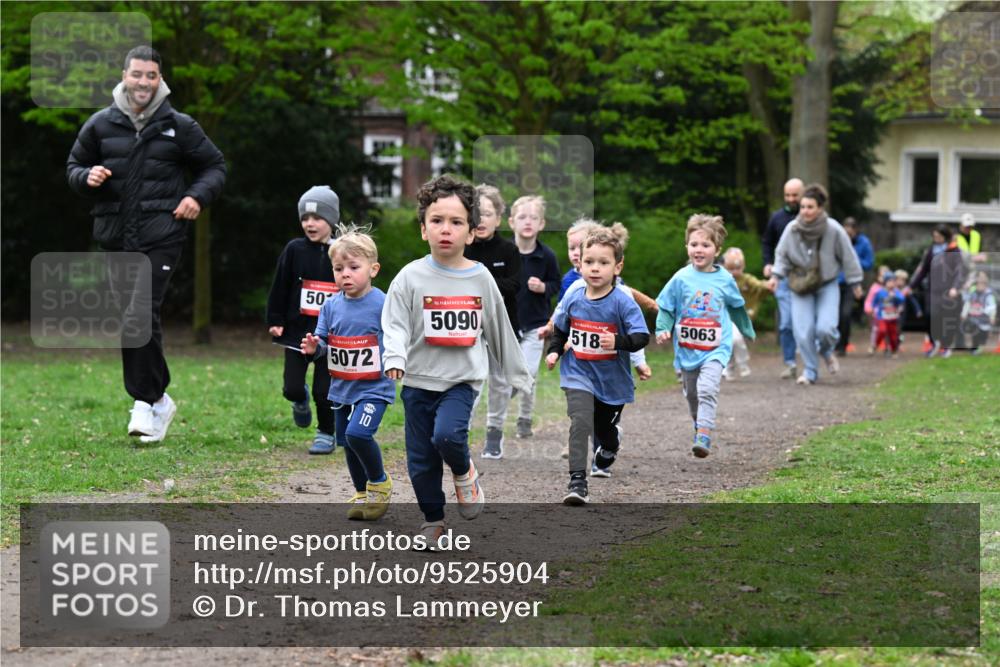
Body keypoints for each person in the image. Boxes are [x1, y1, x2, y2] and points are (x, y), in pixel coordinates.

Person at [66, 46, 226, 442]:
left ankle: (144, 400)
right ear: (124, 76)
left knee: (139, 310)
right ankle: (157, 400)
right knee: (130, 316)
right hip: (115, 236)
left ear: (159, 80)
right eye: (137, 74)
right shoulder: (100, 125)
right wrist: (87, 177)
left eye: (151, 76)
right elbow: (72, 168)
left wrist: (196, 197)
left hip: (162, 234)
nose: (143, 82)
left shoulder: (180, 125)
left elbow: (214, 166)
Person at [381, 175, 531, 548]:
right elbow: (395, 324)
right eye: (437, 220)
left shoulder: (480, 278)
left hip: (461, 380)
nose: (445, 229)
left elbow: (498, 328)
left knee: (447, 436)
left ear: (471, 233)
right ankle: (433, 522)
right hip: (417, 381)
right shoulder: (409, 277)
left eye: (456, 222)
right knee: (421, 460)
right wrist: (395, 356)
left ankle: (465, 473)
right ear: (423, 229)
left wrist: (517, 374)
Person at [545, 228, 649, 505]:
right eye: (589, 261)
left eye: (603, 263)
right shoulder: (573, 296)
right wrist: (555, 352)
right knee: (580, 421)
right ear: (579, 264)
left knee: (603, 429)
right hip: (577, 372)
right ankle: (577, 481)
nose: (595, 268)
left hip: (612, 381)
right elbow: (561, 329)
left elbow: (641, 337)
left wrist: (617, 340)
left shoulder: (623, 302)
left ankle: (610, 447)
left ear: (618, 267)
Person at [300, 227, 394, 519]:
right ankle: (362, 493)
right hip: (341, 388)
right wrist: (315, 347)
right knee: (346, 441)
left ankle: (379, 481)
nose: (345, 274)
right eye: (338, 268)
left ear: (373, 269)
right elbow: (324, 343)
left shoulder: (383, 303)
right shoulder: (330, 305)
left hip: (374, 387)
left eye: (354, 267)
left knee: (358, 434)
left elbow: (398, 336)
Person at [656, 215, 755, 458]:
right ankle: (699, 423)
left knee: (707, 389)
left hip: (716, 347)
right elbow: (666, 307)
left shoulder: (725, 279)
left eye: (705, 245)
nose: (699, 250)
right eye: (694, 244)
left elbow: (736, 307)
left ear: (717, 250)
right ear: (687, 247)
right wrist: (662, 328)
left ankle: (704, 433)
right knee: (692, 394)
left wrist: (746, 329)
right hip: (688, 349)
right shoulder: (680, 278)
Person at [266, 186, 340, 454]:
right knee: (292, 387)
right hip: (297, 332)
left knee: (325, 391)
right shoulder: (294, 249)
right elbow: (280, 286)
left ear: (331, 220)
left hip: (330, 337)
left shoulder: (342, 251)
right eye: (305, 218)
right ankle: (300, 400)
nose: (310, 223)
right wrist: (275, 319)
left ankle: (325, 432)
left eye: (317, 218)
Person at [768, 184, 863, 385]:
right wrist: (776, 276)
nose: (805, 211)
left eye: (810, 207)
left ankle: (827, 350)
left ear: (820, 208)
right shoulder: (792, 229)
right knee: (803, 332)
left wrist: (855, 282)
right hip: (800, 285)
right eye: (802, 207)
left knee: (826, 329)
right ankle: (811, 371)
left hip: (827, 284)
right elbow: (782, 255)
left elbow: (848, 257)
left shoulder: (833, 229)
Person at [464, 185, 522, 458]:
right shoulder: (461, 248)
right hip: (467, 326)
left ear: (498, 218)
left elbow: (514, 285)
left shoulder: (509, 250)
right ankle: (459, 431)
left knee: (500, 382)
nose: (481, 219)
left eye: (487, 213)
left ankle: (494, 433)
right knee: (469, 379)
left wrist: (481, 282)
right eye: (476, 213)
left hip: (501, 324)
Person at [506, 195, 561, 441]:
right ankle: (503, 409)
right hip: (506, 325)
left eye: (533, 218)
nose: (528, 222)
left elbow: (557, 284)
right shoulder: (504, 253)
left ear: (541, 223)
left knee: (528, 374)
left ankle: (524, 418)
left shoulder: (546, 256)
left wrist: (544, 288)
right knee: (506, 376)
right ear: (511, 222)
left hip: (535, 325)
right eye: (522, 217)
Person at [761, 178, 804, 378]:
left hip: (806, 278)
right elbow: (767, 242)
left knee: (803, 322)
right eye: (787, 195)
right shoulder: (777, 218)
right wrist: (768, 264)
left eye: (795, 195)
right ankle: (790, 362)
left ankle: (810, 360)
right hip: (783, 277)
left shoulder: (810, 218)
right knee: (786, 322)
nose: (791, 199)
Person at [905, 225, 968, 357]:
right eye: (934, 236)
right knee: (929, 315)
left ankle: (945, 346)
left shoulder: (954, 250)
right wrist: (911, 286)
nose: (936, 239)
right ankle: (934, 343)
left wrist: (955, 288)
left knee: (946, 318)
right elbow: (923, 271)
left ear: (945, 236)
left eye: (938, 236)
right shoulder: (931, 250)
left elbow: (959, 271)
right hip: (932, 289)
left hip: (948, 291)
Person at [721, 248, 772, 379]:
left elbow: (758, 285)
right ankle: (729, 367)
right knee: (730, 341)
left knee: (735, 340)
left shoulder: (747, 279)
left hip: (742, 317)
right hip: (725, 316)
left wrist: (768, 285)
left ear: (743, 267)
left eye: (737, 268)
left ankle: (741, 363)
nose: (734, 272)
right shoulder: (722, 280)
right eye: (730, 269)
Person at [835, 217, 874, 356]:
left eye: (850, 234)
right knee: (834, 315)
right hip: (835, 283)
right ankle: (835, 343)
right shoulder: (836, 240)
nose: (848, 236)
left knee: (845, 314)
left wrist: (853, 260)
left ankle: (843, 345)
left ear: (856, 231)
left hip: (852, 284)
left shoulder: (863, 243)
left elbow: (869, 263)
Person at [961, 271, 996, 355]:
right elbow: (967, 303)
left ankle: (981, 345)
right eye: (978, 284)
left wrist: (992, 316)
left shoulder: (989, 295)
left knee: (983, 334)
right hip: (975, 318)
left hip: (984, 319)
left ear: (985, 285)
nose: (979, 286)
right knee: (975, 333)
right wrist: (964, 313)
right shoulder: (973, 293)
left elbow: (992, 306)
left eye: (981, 284)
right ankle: (974, 348)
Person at [872, 270, 905, 358]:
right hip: (882, 316)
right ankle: (875, 345)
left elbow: (902, 299)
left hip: (893, 317)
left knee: (893, 335)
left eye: (893, 281)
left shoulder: (896, 292)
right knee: (882, 330)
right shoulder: (880, 292)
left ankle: (894, 350)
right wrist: (874, 310)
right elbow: (874, 302)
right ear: (885, 282)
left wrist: (894, 296)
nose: (891, 283)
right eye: (889, 281)